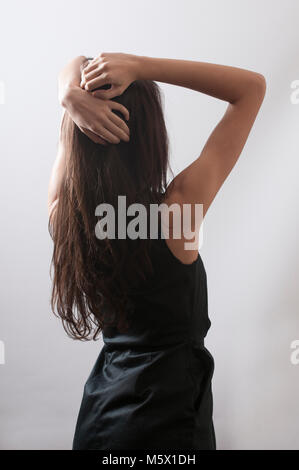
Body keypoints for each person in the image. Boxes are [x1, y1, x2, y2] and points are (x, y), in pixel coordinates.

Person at [48, 53, 266, 449]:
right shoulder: (177, 212)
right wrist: (142, 68)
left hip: (98, 422)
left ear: (79, 133)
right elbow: (251, 89)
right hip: (170, 427)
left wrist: (69, 96)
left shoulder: (65, 217)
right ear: (151, 135)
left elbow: (74, 66)